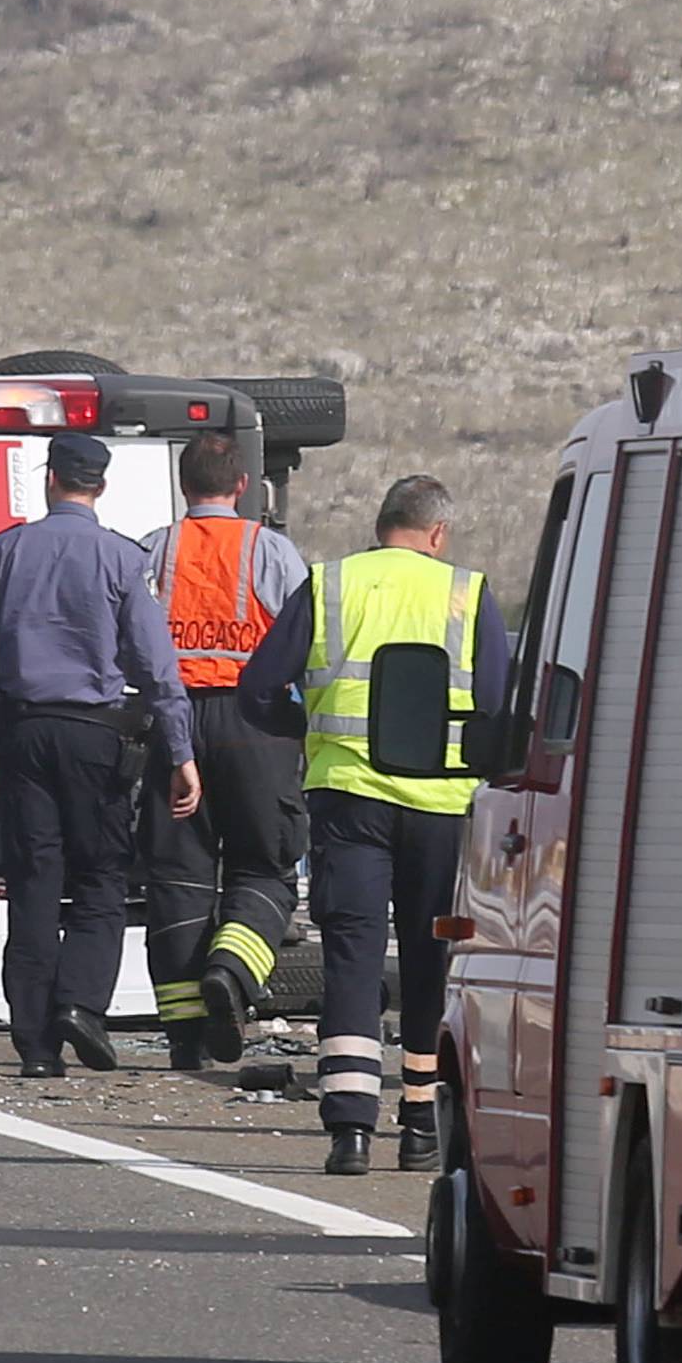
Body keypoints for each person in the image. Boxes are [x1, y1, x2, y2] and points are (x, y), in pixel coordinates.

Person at [239, 474, 508, 1176]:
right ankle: (420, 1122)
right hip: (441, 811)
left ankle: (350, 1129)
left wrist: (305, 731)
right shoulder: (468, 593)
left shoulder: (330, 583)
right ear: (438, 532)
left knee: (353, 957)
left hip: (348, 801)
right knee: (431, 960)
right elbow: (499, 708)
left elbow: (259, 685)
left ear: (382, 522)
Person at [0, 431, 200, 1079]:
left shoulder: (4, 553)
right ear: (101, 487)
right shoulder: (120, 558)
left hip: (22, 732)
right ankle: (83, 1005)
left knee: (35, 880)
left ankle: (35, 1043)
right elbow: (154, 661)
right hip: (98, 735)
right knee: (102, 875)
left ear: (49, 478)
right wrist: (180, 748)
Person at [138, 432, 308, 1075]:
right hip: (255, 723)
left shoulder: (157, 547)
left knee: (176, 879)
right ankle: (232, 975)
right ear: (243, 487)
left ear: (184, 485)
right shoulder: (270, 549)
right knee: (265, 868)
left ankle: (186, 1039)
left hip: (173, 726)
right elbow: (303, 636)